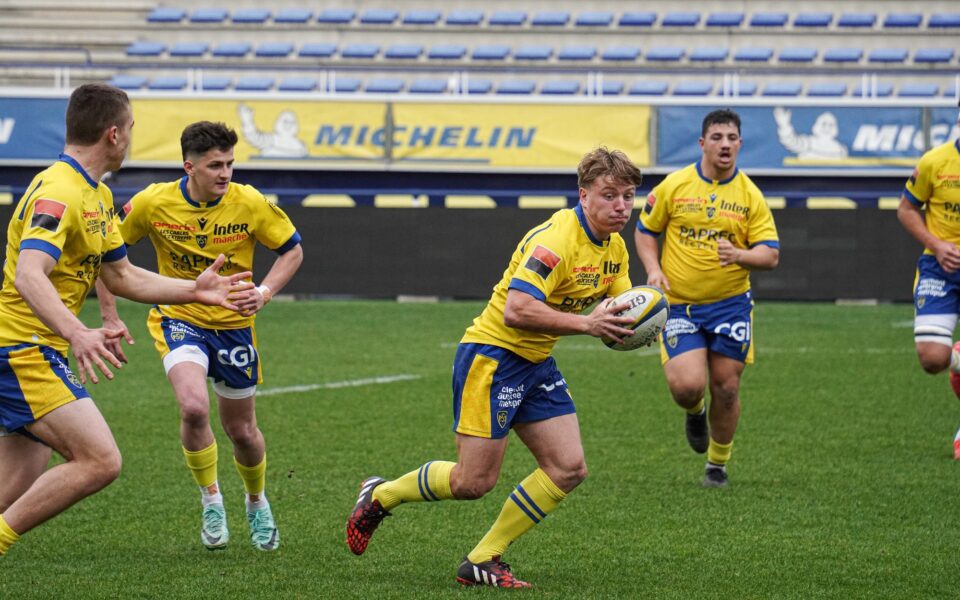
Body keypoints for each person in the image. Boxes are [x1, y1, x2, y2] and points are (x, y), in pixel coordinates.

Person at [346, 147, 643, 587]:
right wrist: (588, 323)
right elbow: (517, 310)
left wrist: (642, 320)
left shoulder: (614, 247)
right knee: (473, 482)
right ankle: (381, 495)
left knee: (568, 467)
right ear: (584, 196)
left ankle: (483, 559)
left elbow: (619, 310)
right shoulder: (556, 241)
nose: (620, 206)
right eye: (609, 195)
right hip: (494, 356)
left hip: (536, 362)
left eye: (628, 196)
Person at [0, 84, 253, 557]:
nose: (133, 138)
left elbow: (121, 274)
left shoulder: (94, 193)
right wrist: (77, 332)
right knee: (100, 460)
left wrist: (195, 290)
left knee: (14, 484)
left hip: (31, 348)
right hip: (21, 349)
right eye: (132, 128)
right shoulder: (59, 191)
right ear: (113, 134)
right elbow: (29, 273)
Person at [98, 121, 303, 551]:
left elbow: (292, 250)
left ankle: (255, 500)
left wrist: (264, 293)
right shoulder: (153, 202)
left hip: (234, 329)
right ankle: (211, 497)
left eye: (229, 163)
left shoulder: (249, 203)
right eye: (215, 166)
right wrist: (109, 315)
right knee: (193, 407)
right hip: (179, 316)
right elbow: (107, 254)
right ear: (188, 166)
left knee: (242, 430)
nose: (225, 173)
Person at [634, 108, 780, 488]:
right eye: (717, 137)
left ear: (740, 144)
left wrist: (740, 255)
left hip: (731, 304)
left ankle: (717, 465)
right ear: (702, 143)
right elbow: (646, 230)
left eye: (732, 138)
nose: (725, 144)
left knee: (727, 388)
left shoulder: (750, 195)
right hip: (680, 303)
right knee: (686, 387)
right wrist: (653, 268)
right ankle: (694, 411)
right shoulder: (675, 186)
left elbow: (771, 254)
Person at [897, 104, 960, 458]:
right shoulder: (935, 162)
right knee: (932, 358)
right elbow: (906, 209)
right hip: (941, 269)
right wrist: (936, 245)